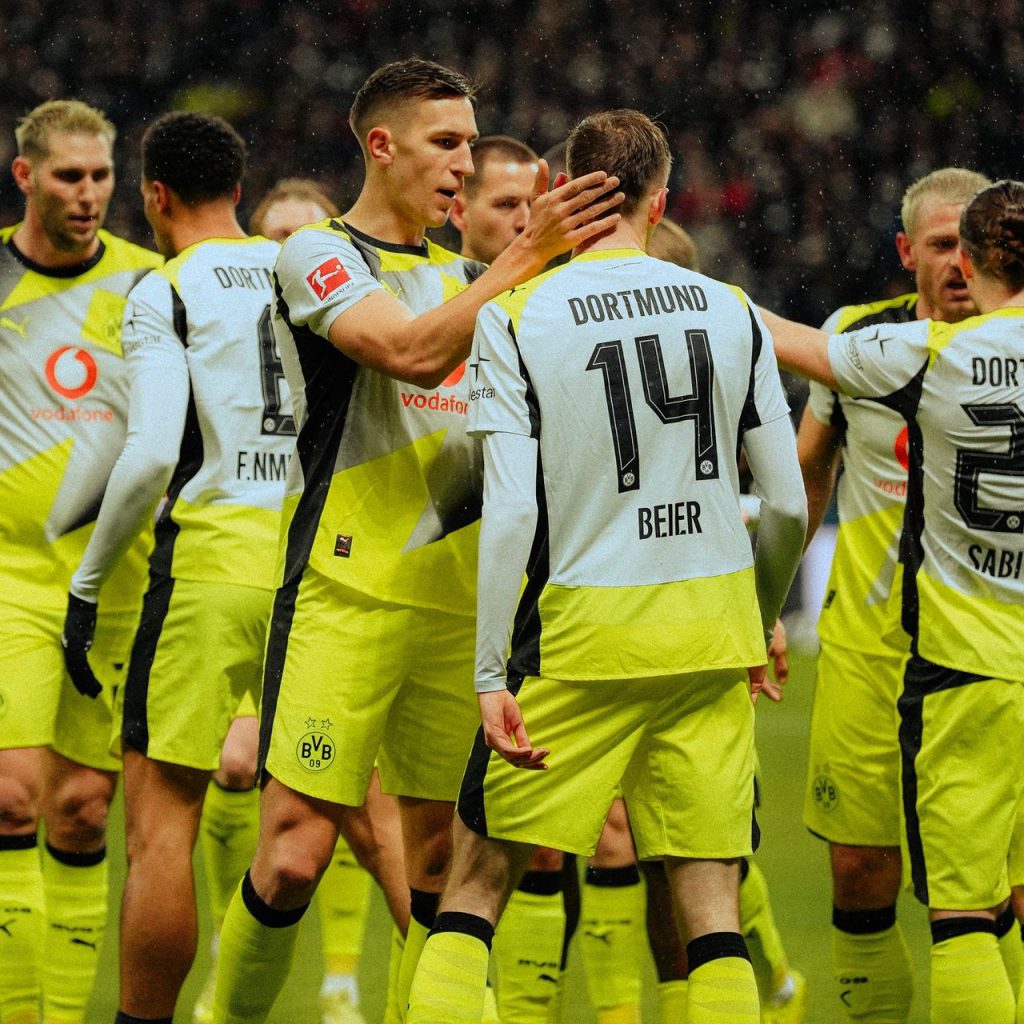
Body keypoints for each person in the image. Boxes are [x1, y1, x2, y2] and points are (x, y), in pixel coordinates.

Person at [208, 57, 623, 1024]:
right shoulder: (319, 254)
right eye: (446, 143)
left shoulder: (469, 278)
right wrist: (526, 258)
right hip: (343, 595)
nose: (464, 164)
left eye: (471, 144)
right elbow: (407, 350)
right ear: (381, 145)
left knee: (438, 862)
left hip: (455, 610)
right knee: (293, 854)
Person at [407, 107, 807, 1024]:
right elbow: (784, 504)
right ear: (661, 201)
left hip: (578, 639)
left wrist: (490, 671)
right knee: (712, 915)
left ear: (561, 192)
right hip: (708, 638)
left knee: (474, 892)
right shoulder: (731, 310)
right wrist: (757, 619)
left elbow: (511, 507)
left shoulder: (517, 317)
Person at [767, 177, 1024, 1024]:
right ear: (908, 251)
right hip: (871, 648)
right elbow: (808, 478)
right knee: (861, 867)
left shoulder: (915, 357)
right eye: (938, 245)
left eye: (966, 247)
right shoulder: (859, 334)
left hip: (963, 648)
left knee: (995, 889)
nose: (955, 264)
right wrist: (765, 600)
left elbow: (773, 337)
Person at [191, 176, 404, 1024]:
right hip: (242, 573)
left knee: (352, 805)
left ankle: (344, 979)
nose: (288, 251)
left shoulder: (356, 333)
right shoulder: (230, 337)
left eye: (303, 236)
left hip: (331, 579)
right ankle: (229, 950)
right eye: (273, 237)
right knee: (243, 768)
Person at [0, 98, 161, 1024]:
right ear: (26, 176)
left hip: (115, 587)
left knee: (83, 812)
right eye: (69, 176)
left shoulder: (148, 284)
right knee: (11, 798)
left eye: (101, 176)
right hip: (12, 581)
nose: (89, 193)